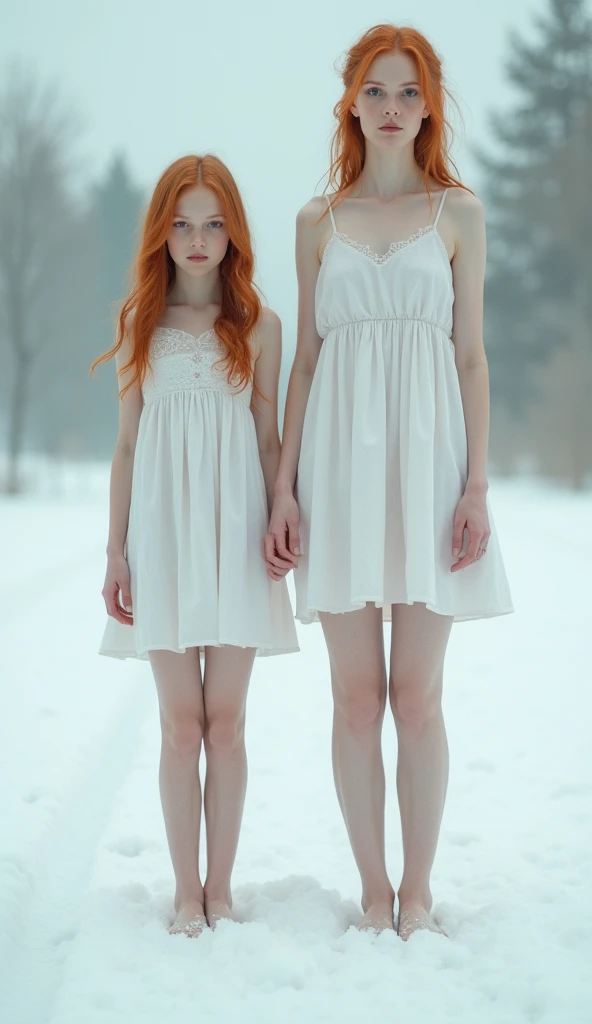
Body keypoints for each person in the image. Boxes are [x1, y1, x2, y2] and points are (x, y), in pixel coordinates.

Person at [265, 24, 513, 941]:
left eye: (410, 91)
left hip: (430, 470)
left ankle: (419, 887)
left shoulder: (459, 214)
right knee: (354, 698)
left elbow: (474, 358)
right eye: (377, 90)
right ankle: (372, 888)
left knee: (417, 697)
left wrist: (476, 486)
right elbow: (304, 365)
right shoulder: (315, 222)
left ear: (431, 104)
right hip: (335, 468)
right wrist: (284, 489)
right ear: (352, 103)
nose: (393, 107)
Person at [93, 154, 298, 938]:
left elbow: (270, 439)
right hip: (164, 537)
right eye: (182, 223)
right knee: (182, 723)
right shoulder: (135, 324)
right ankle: (186, 892)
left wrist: (283, 510)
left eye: (214, 223)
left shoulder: (260, 327)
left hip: (236, 534)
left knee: (228, 723)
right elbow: (124, 447)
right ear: (162, 232)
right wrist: (115, 551)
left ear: (233, 232)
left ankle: (221, 887)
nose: (198, 238)